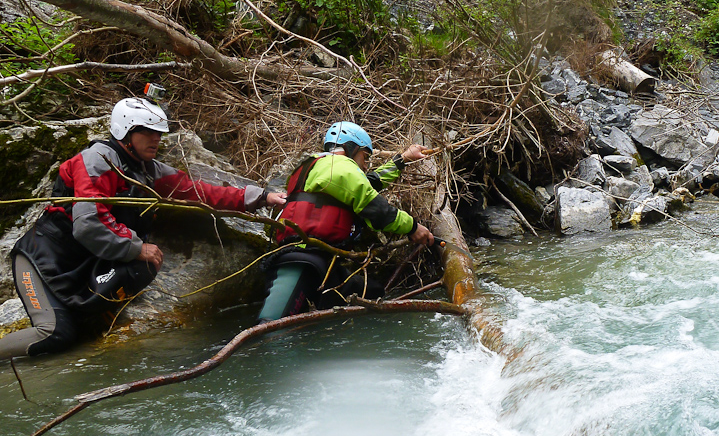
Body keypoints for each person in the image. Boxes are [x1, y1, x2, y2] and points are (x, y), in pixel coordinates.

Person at [0, 96, 285, 359]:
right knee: (55, 334)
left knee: (144, 265)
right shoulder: (96, 161)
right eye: (147, 132)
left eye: (159, 133)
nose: (156, 139)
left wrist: (260, 197)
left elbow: (201, 192)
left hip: (86, 264)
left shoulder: (149, 171)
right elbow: (88, 224)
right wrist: (135, 246)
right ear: (125, 133)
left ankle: (92, 318)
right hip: (43, 259)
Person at [257, 120, 434, 321]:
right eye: (365, 156)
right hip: (301, 259)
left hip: (322, 261)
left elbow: (370, 182)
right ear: (350, 148)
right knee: (271, 325)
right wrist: (413, 228)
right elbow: (376, 208)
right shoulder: (340, 167)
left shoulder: (318, 167)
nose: (366, 164)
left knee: (373, 293)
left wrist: (402, 159)